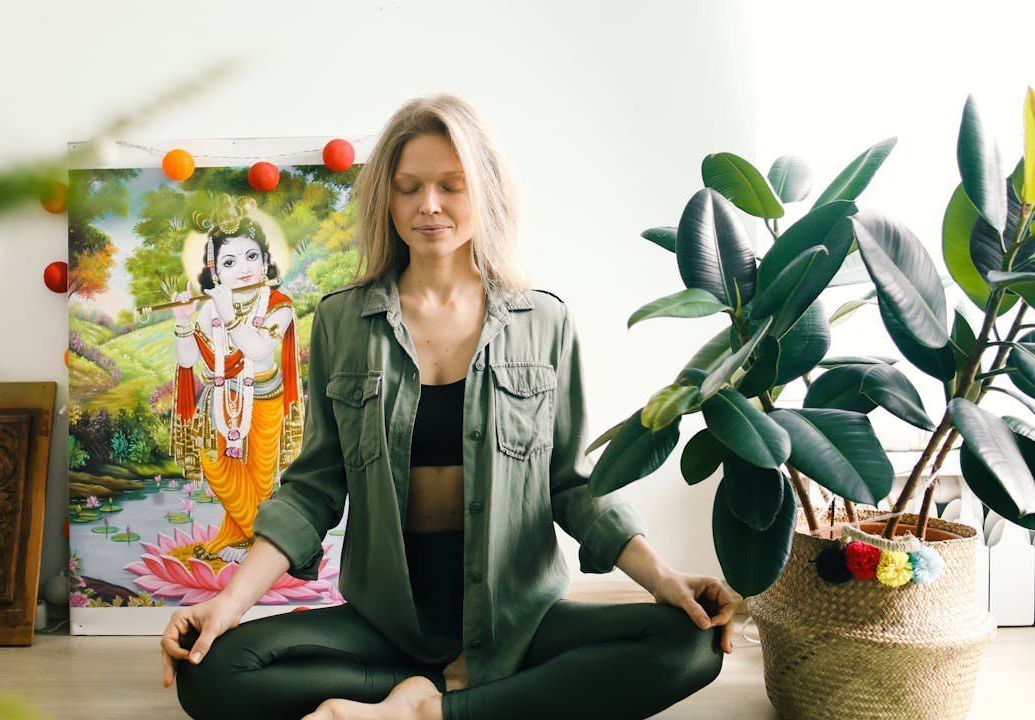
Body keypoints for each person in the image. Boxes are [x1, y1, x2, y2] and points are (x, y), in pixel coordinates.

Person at [161, 94, 733, 720]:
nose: (428, 205)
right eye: (409, 188)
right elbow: (313, 489)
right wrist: (228, 604)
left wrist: (663, 579)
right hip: (388, 621)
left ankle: (423, 711)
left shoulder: (543, 320)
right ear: (388, 199)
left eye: (450, 186)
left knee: (691, 644)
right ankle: (470, 697)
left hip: (516, 617)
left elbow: (570, 482)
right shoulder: (341, 321)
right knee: (211, 669)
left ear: (484, 191)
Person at [170, 202, 303, 559]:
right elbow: (187, 360)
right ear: (215, 272)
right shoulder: (211, 306)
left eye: (251, 257)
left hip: (265, 398)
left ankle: (250, 543)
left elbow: (258, 350)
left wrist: (229, 314)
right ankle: (262, 541)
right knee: (216, 467)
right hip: (218, 400)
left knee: (260, 479)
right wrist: (184, 321)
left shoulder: (279, 305)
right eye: (229, 262)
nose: (243, 269)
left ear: (265, 260)